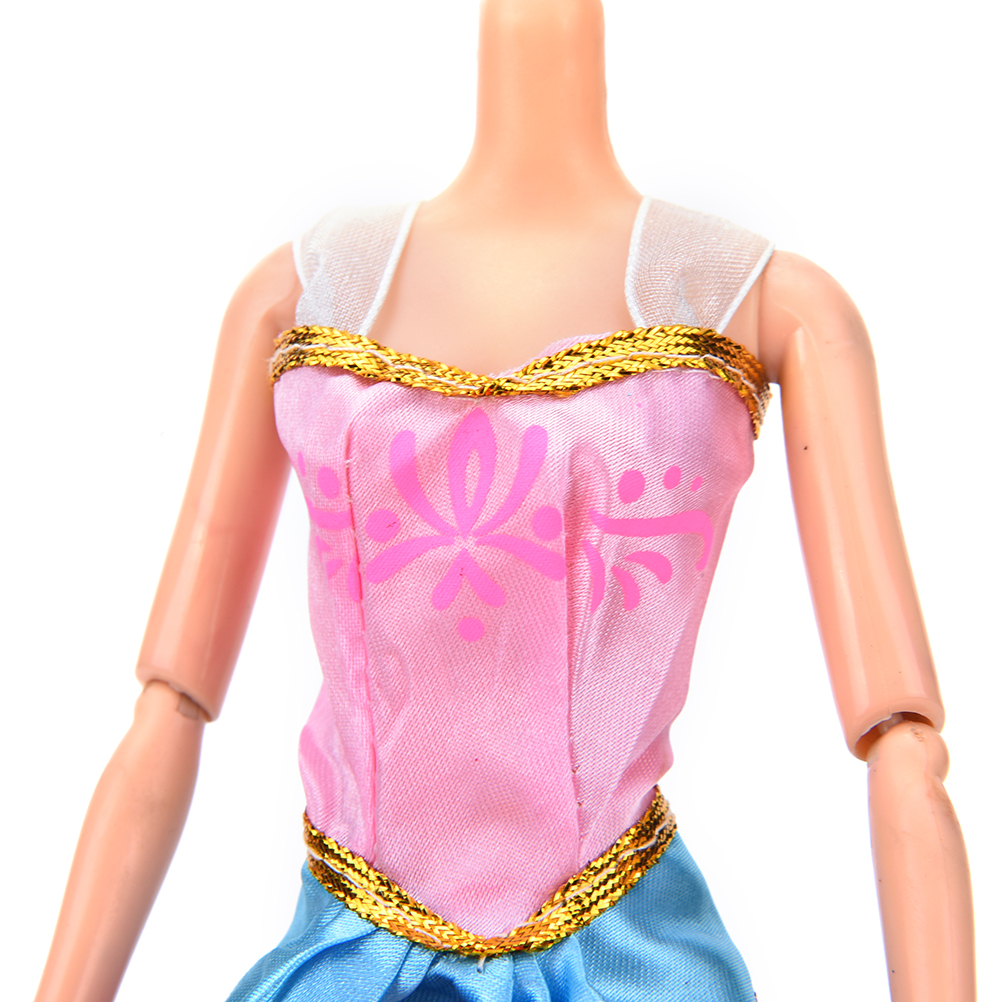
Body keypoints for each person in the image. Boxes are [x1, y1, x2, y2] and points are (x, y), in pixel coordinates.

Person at [34, 1, 975, 1000]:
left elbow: (901, 737)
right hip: (349, 964)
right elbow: (171, 702)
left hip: (631, 968)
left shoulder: (750, 300)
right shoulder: (307, 295)